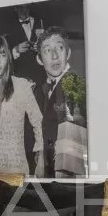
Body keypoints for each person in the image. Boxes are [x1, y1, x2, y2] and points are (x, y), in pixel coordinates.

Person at [0, 34, 43, 175]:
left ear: (8, 58)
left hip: (16, 169)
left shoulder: (21, 85)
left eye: (2, 55)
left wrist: (41, 157)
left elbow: (37, 120)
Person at [34, 28, 88, 178]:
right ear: (39, 59)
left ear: (68, 53)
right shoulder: (39, 91)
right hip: (47, 171)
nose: (55, 56)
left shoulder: (75, 85)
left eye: (60, 47)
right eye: (47, 50)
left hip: (66, 174)